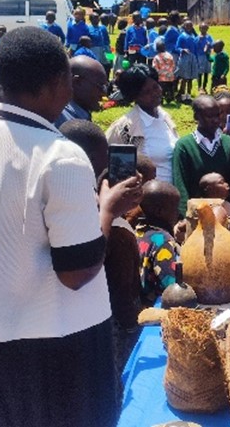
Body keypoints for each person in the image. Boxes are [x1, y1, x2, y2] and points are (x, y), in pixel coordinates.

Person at [0, 25, 142, 427]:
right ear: (60, 83)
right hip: (53, 348)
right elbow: (77, 271)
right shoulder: (61, 156)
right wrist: (106, 209)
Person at [60, 120, 143, 376]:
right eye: (102, 158)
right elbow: (120, 289)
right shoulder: (112, 229)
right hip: (108, 332)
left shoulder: (64, 203)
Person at [172, 95, 230, 217]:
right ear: (196, 117)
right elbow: (180, 184)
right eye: (209, 116)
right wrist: (186, 215)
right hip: (196, 214)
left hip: (225, 213)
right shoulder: (184, 146)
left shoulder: (228, 143)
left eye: (218, 115)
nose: (216, 120)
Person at [106, 64, 179, 184]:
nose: (155, 93)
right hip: (143, 198)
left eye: (156, 87)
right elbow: (113, 167)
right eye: (147, 92)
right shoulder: (125, 128)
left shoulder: (166, 119)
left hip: (172, 197)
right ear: (134, 96)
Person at [136, 180, 181, 304]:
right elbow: (170, 285)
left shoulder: (136, 231)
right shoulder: (163, 241)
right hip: (152, 307)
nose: (178, 213)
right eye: (175, 208)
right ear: (159, 211)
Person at [55, 55, 107, 128]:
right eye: (100, 86)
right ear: (77, 82)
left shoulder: (78, 114)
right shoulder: (65, 124)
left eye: (105, 87)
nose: (103, 93)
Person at [175, 19, 199, 104]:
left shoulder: (194, 36)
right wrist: (182, 50)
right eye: (187, 26)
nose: (189, 27)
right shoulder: (182, 36)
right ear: (184, 27)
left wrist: (196, 59)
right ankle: (182, 95)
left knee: (190, 79)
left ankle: (188, 95)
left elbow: (196, 48)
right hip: (185, 58)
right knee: (184, 78)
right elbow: (177, 47)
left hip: (192, 58)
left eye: (190, 26)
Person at [88, 12, 112, 78]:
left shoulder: (103, 28)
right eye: (95, 18)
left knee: (108, 64)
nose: (97, 19)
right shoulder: (88, 28)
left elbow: (107, 41)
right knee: (97, 66)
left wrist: (111, 56)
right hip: (94, 49)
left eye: (98, 18)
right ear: (91, 19)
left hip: (105, 48)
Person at [153, 40, 176, 104]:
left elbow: (155, 68)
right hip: (169, 76)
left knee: (160, 89)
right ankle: (169, 97)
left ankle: (161, 99)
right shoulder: (170, 56)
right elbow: (173, 65)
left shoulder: (156, 57)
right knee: (169, 88)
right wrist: (169, 72)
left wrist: (160, 73)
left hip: (161, 78)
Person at [196, 22, 213, 94]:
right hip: (200, 56)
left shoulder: (209, 37)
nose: (204, 30)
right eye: (202, 28)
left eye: (205, 28)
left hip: (207, 56)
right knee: (200, 72)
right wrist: (199, 40)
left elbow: (212, 45)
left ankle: (204, 86)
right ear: (200, 29)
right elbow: (195, 46)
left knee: (206, 72)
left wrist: (209, 45)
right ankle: (199, 86)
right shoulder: (197, 37)